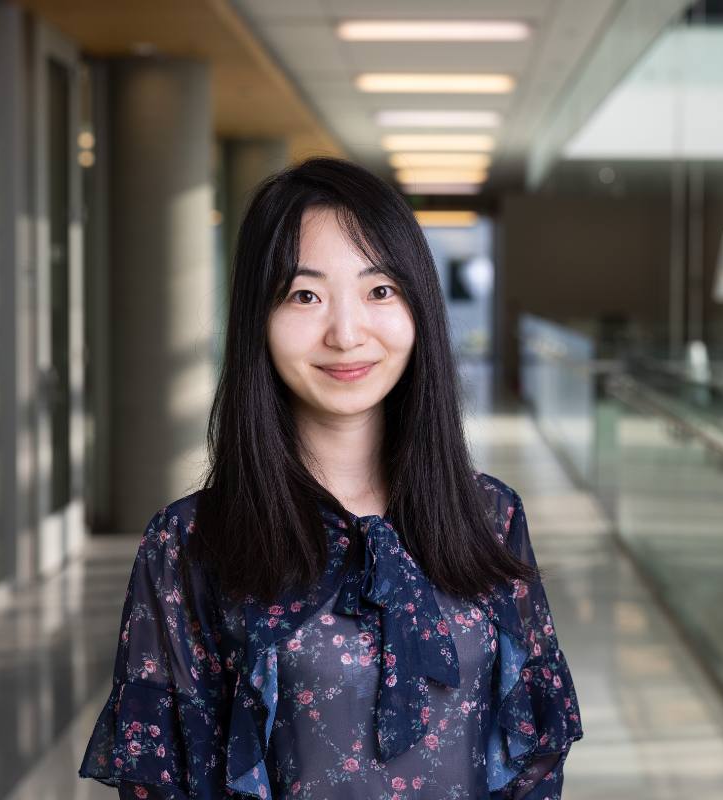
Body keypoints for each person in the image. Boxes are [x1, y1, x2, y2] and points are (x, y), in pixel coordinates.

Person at [77, 157, 584, 799]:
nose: (346, 334)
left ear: (417, 307)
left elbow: (534, 761)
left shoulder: (491, 517)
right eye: (305, 295)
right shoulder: (188, 544)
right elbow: (165, 784)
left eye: (379, 291)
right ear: (257, 319)